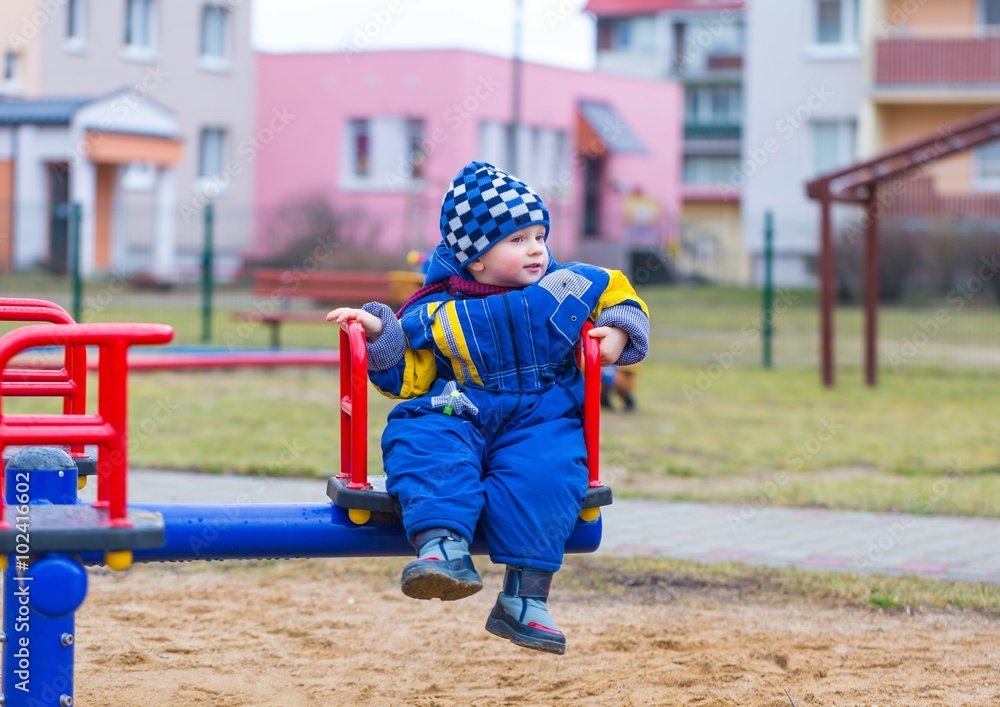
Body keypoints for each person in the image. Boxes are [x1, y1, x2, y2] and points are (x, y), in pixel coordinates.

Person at [327, 161, 649, 655]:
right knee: (423, 440)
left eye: (540, 234)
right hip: (460, 404)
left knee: (549, 471)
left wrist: (621, 332)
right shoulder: (440, 308)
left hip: (541, 412)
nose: (537, 248)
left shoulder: (565, 286)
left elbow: (620, 294)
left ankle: (525, 599)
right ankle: (443, 550)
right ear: (474, 258)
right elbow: (408, 377)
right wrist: (380, 332)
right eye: (517, 239)